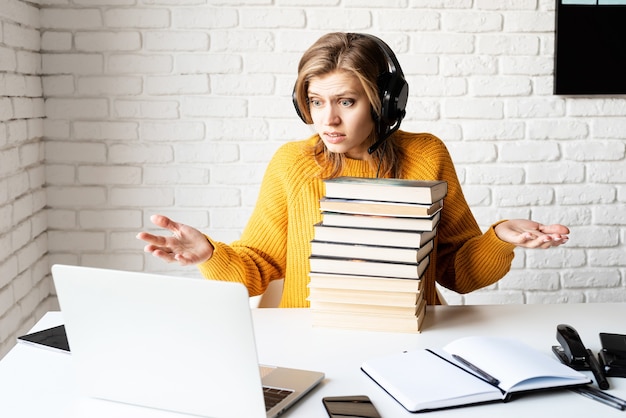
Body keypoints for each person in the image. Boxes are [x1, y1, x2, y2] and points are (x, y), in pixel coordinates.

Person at [137, 32, 569, 307]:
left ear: (384, 103)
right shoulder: (293, 163)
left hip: (411, 339)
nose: (328, 120)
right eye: (317, 102)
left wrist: (499, 239)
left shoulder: (426, 155)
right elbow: (257, 267)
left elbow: (457, 272)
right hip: (311, 341)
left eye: (346, 101)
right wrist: (210, 254)